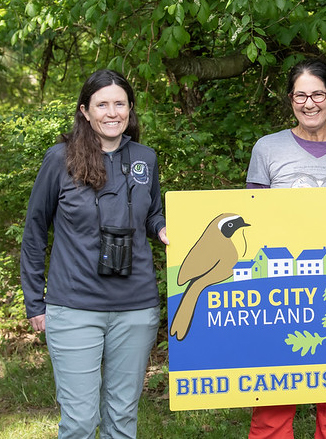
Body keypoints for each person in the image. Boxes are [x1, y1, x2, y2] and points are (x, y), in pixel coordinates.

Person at [20, 69, 168, 439]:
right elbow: (35, 230)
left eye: (120, 103)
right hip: (74, 307)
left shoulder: (145, 159)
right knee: (81, 422)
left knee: (122, 420)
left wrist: (162, 228)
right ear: (85, 111)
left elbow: (153, 213)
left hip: (136, 308)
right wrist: (35, 303)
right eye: (102, 104)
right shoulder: (60, 159)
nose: (112, 112)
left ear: (130, 109)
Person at [246, 58, 326, 439]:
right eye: (300, 95)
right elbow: (252, 225)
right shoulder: (267, 150)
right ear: (291, 100)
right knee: (272, 396)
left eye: (318, 94)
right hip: (279, 288)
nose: (309, 103)